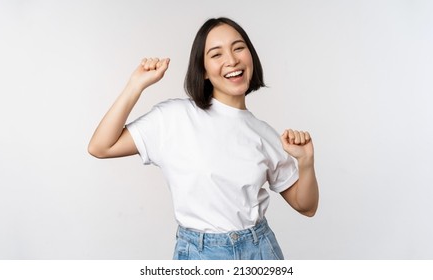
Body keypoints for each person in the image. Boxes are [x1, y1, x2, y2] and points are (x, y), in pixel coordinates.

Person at [88, 17, 319, 260]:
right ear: (204, 70)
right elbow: (101, 146)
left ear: (251, 57)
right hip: (199, 254)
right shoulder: (173, 117)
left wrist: (306, 162)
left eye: (239, 48)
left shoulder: (266, 134)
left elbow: (307, 206)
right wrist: (136, 85)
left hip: (259, 251)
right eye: (216, 54)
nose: (232, 60)